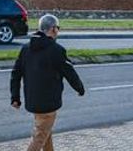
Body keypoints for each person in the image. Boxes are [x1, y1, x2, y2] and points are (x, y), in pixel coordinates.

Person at [10, 14, 85, 151]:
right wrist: (79, 88)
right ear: (53, 29)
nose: (58, 31)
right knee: (39, 138)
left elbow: (16, 73)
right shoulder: (56, 50)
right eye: (58, 28)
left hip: (32, 100)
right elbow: (69, 72)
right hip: (49, 103)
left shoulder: (26, 49)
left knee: (45, 132)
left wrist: (15, 97)